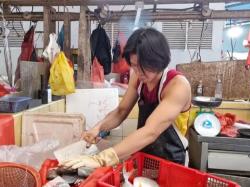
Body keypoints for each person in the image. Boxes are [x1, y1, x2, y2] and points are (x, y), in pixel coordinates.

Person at [62, 27, 192, 169]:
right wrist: (97, 128)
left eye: (144, 67)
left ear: (159, 61)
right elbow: (121, 111)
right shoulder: (138, 77)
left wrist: (102, 159)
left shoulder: (177, 85)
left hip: (172, 160)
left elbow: (151, 131)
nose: (138, 72)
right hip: (145, 155)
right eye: (134, 66)